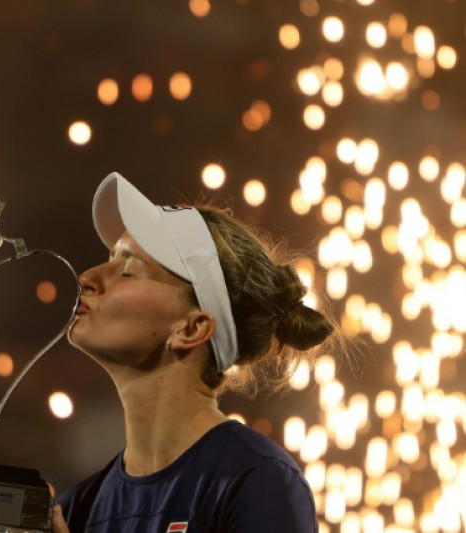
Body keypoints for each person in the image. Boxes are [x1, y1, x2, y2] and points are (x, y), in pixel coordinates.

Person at [52, 172, 341, 532]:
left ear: (192, 329)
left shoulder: (257, 481)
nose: (87, 276)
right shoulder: (76, 508)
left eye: (127, 271)